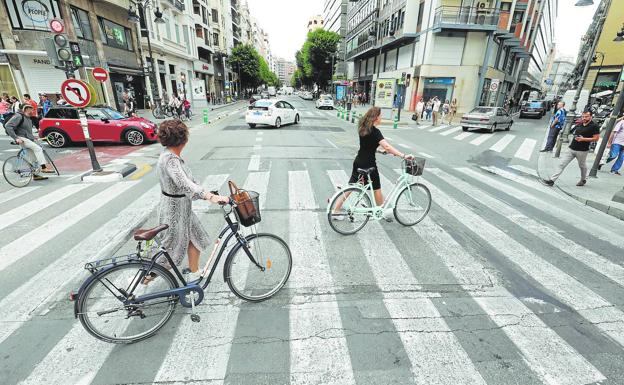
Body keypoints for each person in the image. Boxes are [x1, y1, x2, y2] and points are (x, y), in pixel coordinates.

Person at [152, 119, 230, 283]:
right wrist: (210, 197)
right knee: (170, 251)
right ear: (183, 140)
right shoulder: (171, 160)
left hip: (183, 209)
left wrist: (205, 192)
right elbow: (184, 183)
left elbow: (189, 183)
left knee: (196, 236)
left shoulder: (169, 155)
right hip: (174, 213)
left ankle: (194, 272)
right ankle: (144, 280)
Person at [332, 107, 413, 221]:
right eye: (380, 116)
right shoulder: (375, 132)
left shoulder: (363, 128)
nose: (381, 118)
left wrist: (379, 151)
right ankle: (381, 211)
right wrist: (403, 155)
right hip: (369, 165)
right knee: (376, 188)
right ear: (376, 118)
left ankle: (335, 210)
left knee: (351, 187)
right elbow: (387, 146)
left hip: (358, 161)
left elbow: (367, 147)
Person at [543, 110, 600, 187]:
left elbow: (596, 138)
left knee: (582, 166)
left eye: (586, 116)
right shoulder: (580, 123)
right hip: (571, 148)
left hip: (582, 150)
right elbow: (572, 131)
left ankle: (583, 179)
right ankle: (552, 180)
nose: (584, 118)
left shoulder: (594, 126)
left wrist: (583, 139)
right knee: (562, 164)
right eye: (583, 116)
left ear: (591, 116)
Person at [4, 105, 55, 180]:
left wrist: (33, 137)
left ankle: (35, 175)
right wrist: (16, 138)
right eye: (32, 109)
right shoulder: (19, 116)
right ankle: (43, 167)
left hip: (26, 139)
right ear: (27, 109)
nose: (33, 111)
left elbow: (26, 132)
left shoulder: (28, 119)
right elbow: (8, 126)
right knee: (38, 149)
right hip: (21, 138)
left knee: (33, 158)